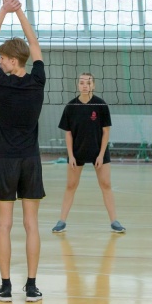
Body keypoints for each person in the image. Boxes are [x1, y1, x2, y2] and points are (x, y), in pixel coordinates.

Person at [0, 0, 46, 303]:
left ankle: (6, 286)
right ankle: (31, 286)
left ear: (11, 61)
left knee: (4, 224)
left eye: (3, 58)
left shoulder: (2, 83)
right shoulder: (38, 80)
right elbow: (34, 45)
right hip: (31, 160)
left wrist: (3, 11)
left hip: (6, 161)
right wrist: (20, 12)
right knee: (31, 224)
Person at [51, 73, 126, 234]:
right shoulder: (71, 106)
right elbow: (68, 133)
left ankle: (114, 221)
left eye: (88, 83)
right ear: (78, 85)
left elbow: (106, 132)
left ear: (93, 85)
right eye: (82, 83)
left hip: (99, 151)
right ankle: (61, 221)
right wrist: (71, 155)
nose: (85, 85)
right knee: (71, 186)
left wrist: (101, 154)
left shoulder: (101, 105)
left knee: (106, 185)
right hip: (77, 151)